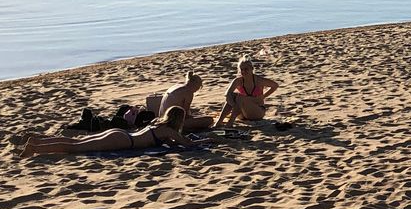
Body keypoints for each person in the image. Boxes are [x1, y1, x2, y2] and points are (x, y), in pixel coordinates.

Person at [19, 107, 201, 158]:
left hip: (121, 133)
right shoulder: (168, 130)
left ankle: (37, 142)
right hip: (122, 141)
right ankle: (35, 148)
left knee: (76, 142)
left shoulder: (157, 124)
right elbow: (187, 144)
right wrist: (205, 141)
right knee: (75, 148)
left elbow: (172, 142)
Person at [217, 57, 279, 124]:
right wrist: (234, 105)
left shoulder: (258, 80)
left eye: (246, 69)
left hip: (257, 111)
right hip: (242, 113)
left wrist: (263, 96)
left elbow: (275, 85)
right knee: (232, 96)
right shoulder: (238, 81)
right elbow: (227, 93)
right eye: (242, 69)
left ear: (252, 69)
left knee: (240, 97)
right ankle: (218, 123)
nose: (243, 71)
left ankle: (230, 122)